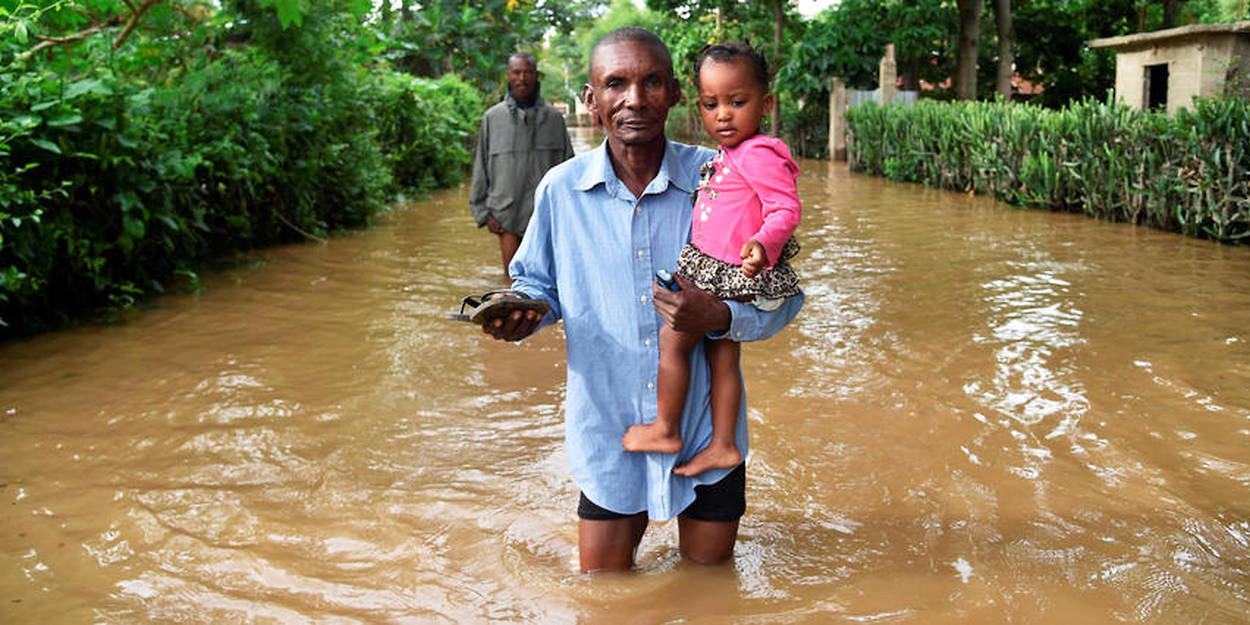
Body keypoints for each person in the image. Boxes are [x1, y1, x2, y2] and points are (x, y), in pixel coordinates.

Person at [478, 27, 803, 573]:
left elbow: (784, 300)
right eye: (615, 84)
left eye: (652, 82)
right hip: (611, 432)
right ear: (592, 99)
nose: (634, 98)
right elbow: (538, 287)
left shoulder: (723, 175)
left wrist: (719, 316)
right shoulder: (561, 190)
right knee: (602, 591)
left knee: (709, 591)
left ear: (676, 94)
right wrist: (522, 313)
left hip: (705, 437)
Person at [622, 42, 801, 478]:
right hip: (715, 265)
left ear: (765, 104)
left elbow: (786, 208)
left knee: (673, 340)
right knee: (723, 357)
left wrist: (762, 242)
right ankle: (723, 444)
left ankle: (666, 428)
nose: (723, 114)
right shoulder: (731, 153)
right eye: (711, 104)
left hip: (728, 270)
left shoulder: (757, 153)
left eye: (737, 102)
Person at [469, 52, 575, 279]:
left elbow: (569, 169)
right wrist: (483, 213)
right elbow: (481, 168)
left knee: (547, 282)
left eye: (528, 72)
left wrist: (570, 212)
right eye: (516, 72)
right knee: (513, 282)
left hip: (545, 214)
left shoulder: (554, 119)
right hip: (505, 214)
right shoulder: (492, 118)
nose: (522, 78)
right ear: (508, 75)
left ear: (536, 76)